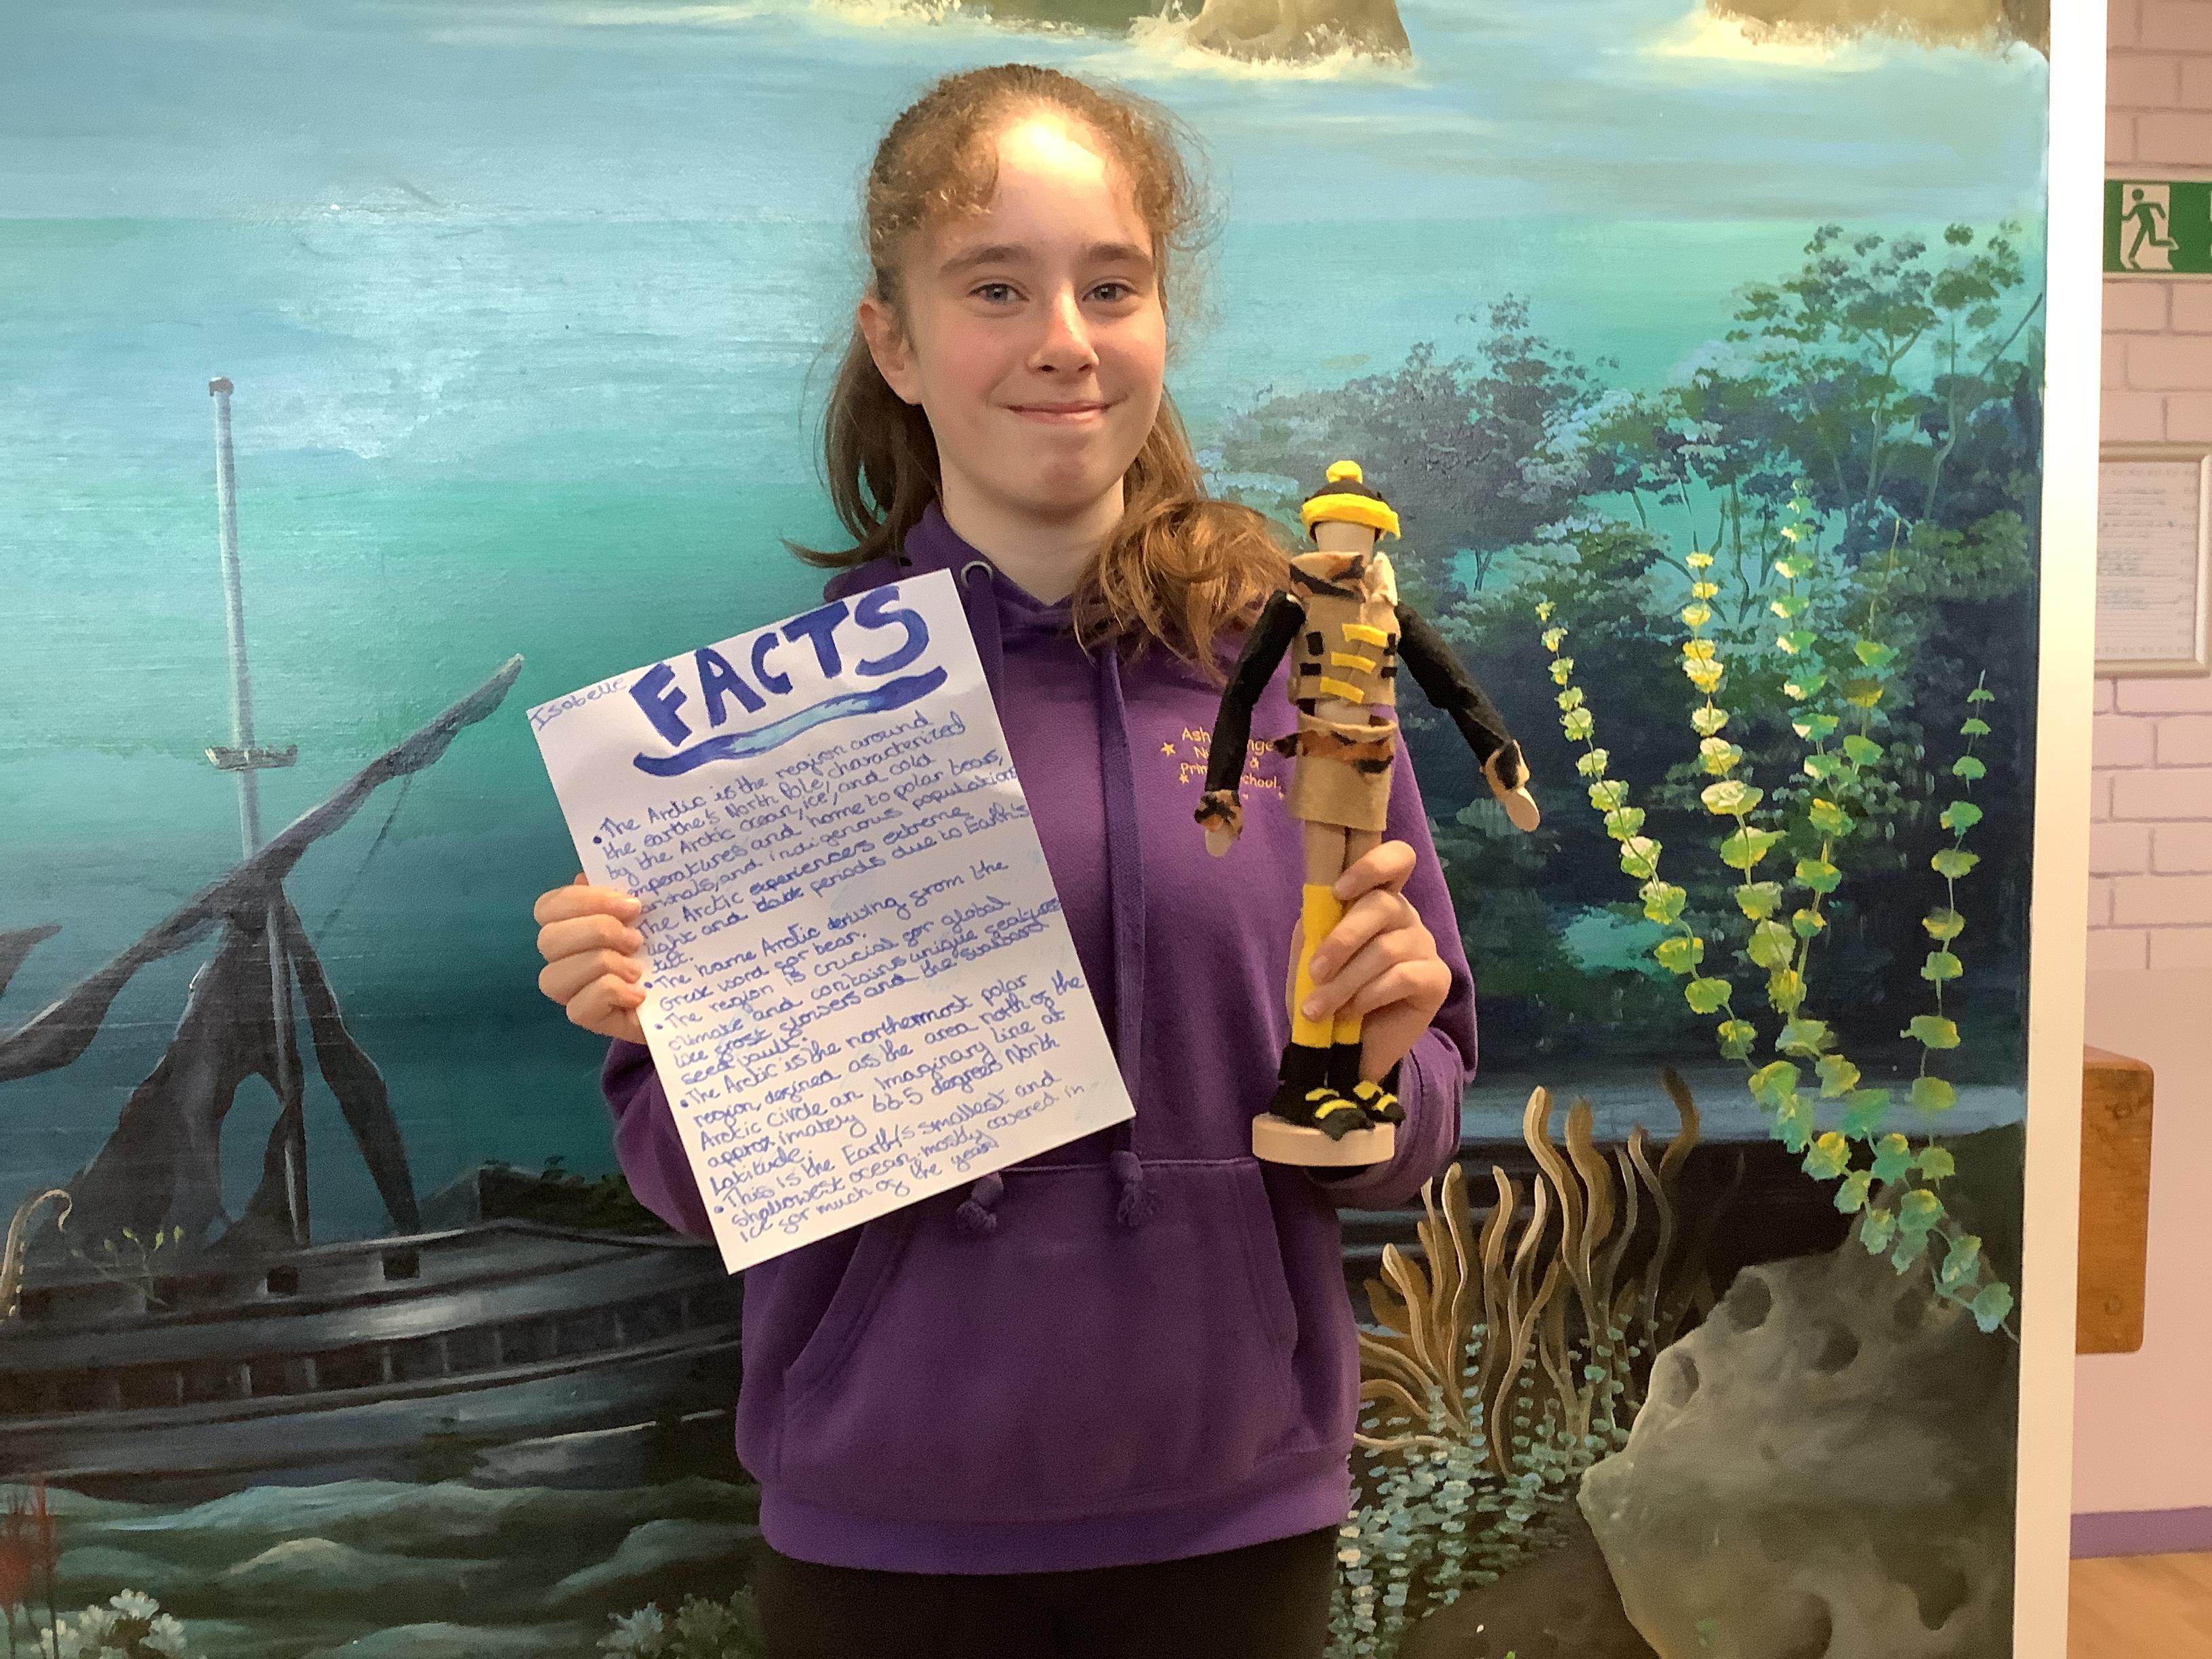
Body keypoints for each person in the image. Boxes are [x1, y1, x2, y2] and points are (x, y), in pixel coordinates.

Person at [529, 62, 1478, 1659]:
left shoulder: (1297, 681)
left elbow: (1421, 1113)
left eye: (1111, 285)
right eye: (994, 288)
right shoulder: (775, 736)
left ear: (1162, 318)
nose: (1064, 338)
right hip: (881, 1538)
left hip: (1235, 1517)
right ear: (894, 341)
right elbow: (691, 1188)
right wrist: (659, 1025)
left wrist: (1379, 1076)